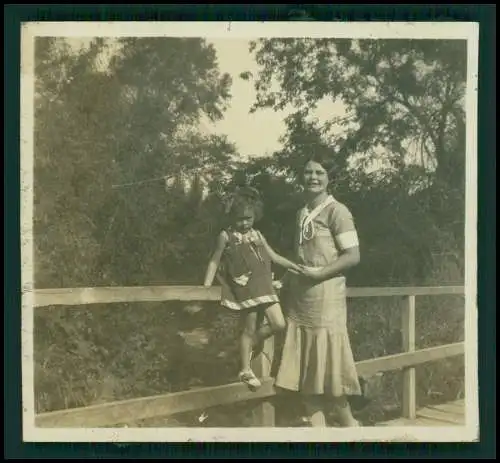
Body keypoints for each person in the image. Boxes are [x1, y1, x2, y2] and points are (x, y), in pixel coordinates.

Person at [275, 154, 363, 427]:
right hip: (301, 301)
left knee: (332, 381)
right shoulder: (301, 212)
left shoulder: (338, 211)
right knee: (306, 380)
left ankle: (353, 432)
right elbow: (302, 257)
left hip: (326, 299)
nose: (313, 177)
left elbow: (353, 256)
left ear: (329, 178)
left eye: (320, 172)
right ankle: (319, 436)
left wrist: (320, 273)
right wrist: (284, 279)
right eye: (308, 172)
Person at [203, 186, 302, 389]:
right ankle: (245, 369)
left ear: (255, 215)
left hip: (265, 286)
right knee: (248, 328)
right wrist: (206, 286)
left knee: (279, 324)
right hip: (246, 288)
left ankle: (244, 347)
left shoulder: (257, 234)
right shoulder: (226, 236)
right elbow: (214, 261)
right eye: (240, 219)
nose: (245, 223)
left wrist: (295, 266)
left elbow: (274, 257)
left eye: (248, 218)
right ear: (232, 218)